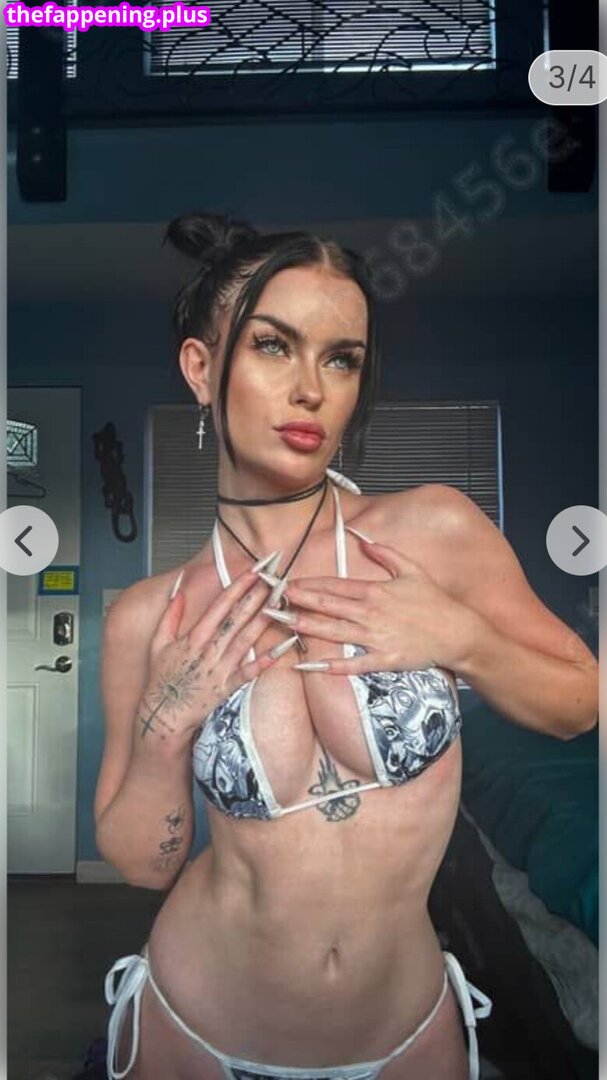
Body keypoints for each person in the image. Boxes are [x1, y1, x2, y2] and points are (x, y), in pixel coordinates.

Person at [95, 213, 598, 1080]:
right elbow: (146, 864)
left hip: (404, 1036)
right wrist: (164, 727)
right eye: (273, 346)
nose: (311, 390)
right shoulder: (151, 616)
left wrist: (461, 637)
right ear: (201, 368)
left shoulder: (432, 531)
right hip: (192, 1030)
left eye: (341, 359)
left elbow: (580, 704)